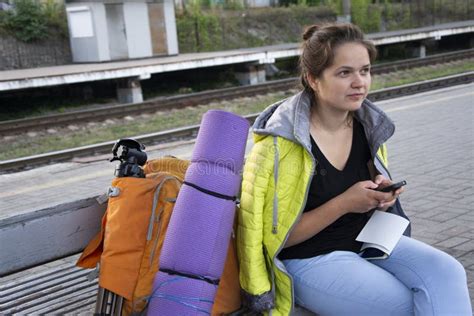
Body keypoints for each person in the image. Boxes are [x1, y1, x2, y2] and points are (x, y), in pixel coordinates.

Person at [236, 23, 472, 315]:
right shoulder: (278, 145)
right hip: (309, 259)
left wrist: (382, 198)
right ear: (313, 78)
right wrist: (345, 203)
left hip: (367, 242)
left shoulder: (368, 127)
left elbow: (368, 201)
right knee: (405, 304)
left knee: (448, 272)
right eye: (344, 73)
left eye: (365, 70)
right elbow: (274, 239)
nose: (359, 82)